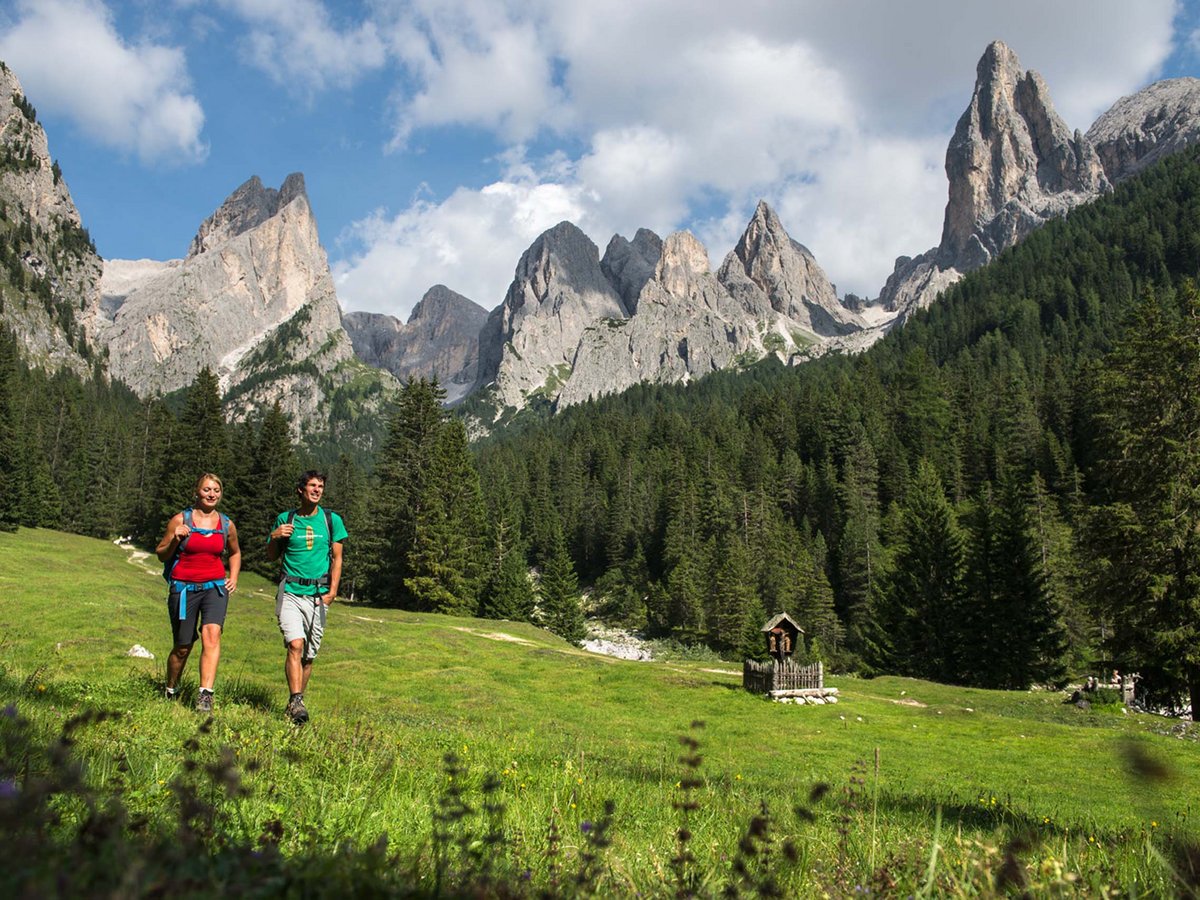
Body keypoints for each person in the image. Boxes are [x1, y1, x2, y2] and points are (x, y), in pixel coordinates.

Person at [155, 473, 241, 713]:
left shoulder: (226, 524)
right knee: (182, 647)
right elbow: (161, 553)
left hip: (214, 588)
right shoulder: (180, 519)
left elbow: (235, 552)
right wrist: (175, 539)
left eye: (216, 490)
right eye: (206, 490)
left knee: (211, 635)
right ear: (197, 491)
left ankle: (205, 695)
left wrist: (232, 577)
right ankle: (171, 688)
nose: (211, 494)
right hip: (183, 589)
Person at [266, 470, 347, 724]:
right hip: (290, 591)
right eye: (312, 485)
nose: (317, 490)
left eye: (320, 486)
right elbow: (270, 556)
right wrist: (274, 536)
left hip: (318, 596)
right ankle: (296, 700)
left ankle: (296, 704)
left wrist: (332, 592)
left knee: (308, 656)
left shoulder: (331, 521)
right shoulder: (286, 519)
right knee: (295, 645)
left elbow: (338, 558)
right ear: (300, 490)